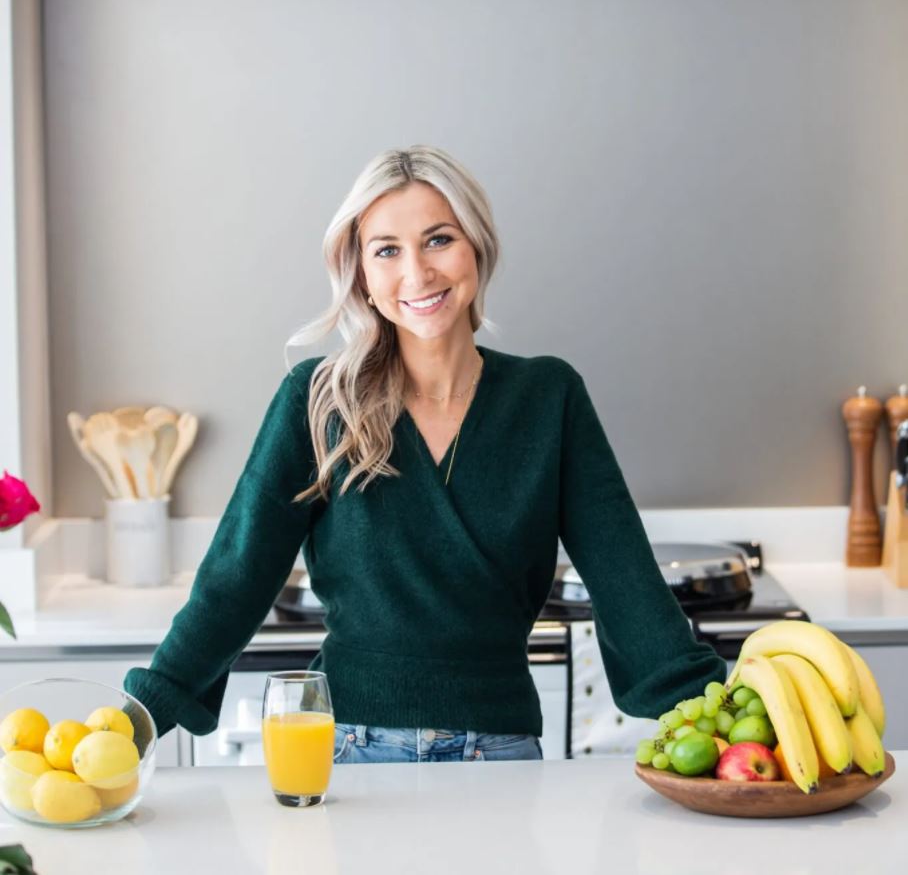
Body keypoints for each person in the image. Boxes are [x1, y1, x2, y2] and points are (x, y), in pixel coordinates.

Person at [124, 145, 727, 764]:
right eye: (387, 249)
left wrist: (712, 711)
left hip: (501, 754)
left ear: (477, 247)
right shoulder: (319, 400)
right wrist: (143, 714)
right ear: (360, 271)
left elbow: (623, 575)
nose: (416, 274)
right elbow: (235, 578)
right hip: (345, 752)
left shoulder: (549, 397)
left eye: (438, 240)